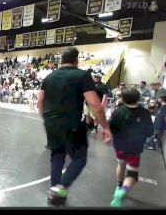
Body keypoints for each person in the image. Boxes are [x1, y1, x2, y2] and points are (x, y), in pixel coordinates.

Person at [37, 47, 112, 206]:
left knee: (57, 156)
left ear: (61, 60)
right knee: (79, 158)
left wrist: (47, 120)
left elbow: (40, 102)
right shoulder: (82, 75)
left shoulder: (49, 77)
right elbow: (94, 104)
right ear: (76, 60)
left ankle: (54, 195)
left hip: (51, 123)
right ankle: (60, 188)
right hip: (71, 123)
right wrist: (105, 126)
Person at [109, 88, 153, 207]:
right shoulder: (145, 113)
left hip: (120, 146)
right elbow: (150, 132)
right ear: (138, 98)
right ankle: (123, 191)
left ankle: (119, 186)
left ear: (122, 98)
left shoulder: (117, 112)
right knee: (132, 174)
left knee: (121, 163)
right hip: (135, 147)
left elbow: (111, 129)